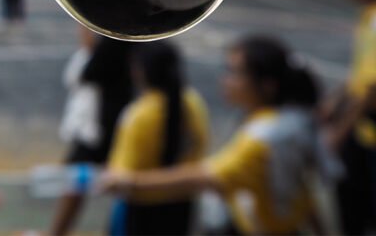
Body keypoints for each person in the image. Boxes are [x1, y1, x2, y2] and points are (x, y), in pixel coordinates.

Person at [102, 36, 335, 236]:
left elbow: (202, 177)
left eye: (234, 72)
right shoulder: (281, 121)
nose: (224, 79)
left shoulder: (260, 140)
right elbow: (303, 194)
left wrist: (129, 182)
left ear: (267, 85)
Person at [104, 40, 209, 236]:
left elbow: (120, 173)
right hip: (182, 205)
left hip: (141, 209)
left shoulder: (139, 114)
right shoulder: (194, 103)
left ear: (141, 71)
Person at [49, 28, 136, 235]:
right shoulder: (118, 39)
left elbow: (88, 72)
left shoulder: (115, 40)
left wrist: (86, 36)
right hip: (105, 122)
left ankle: (56, 232)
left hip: (102, 125)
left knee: (75, 180)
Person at [323, 0, 376, 234]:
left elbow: (372, 89)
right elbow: (360, 74)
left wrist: (339, 132)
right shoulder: (368, 14)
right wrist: (334, 99)